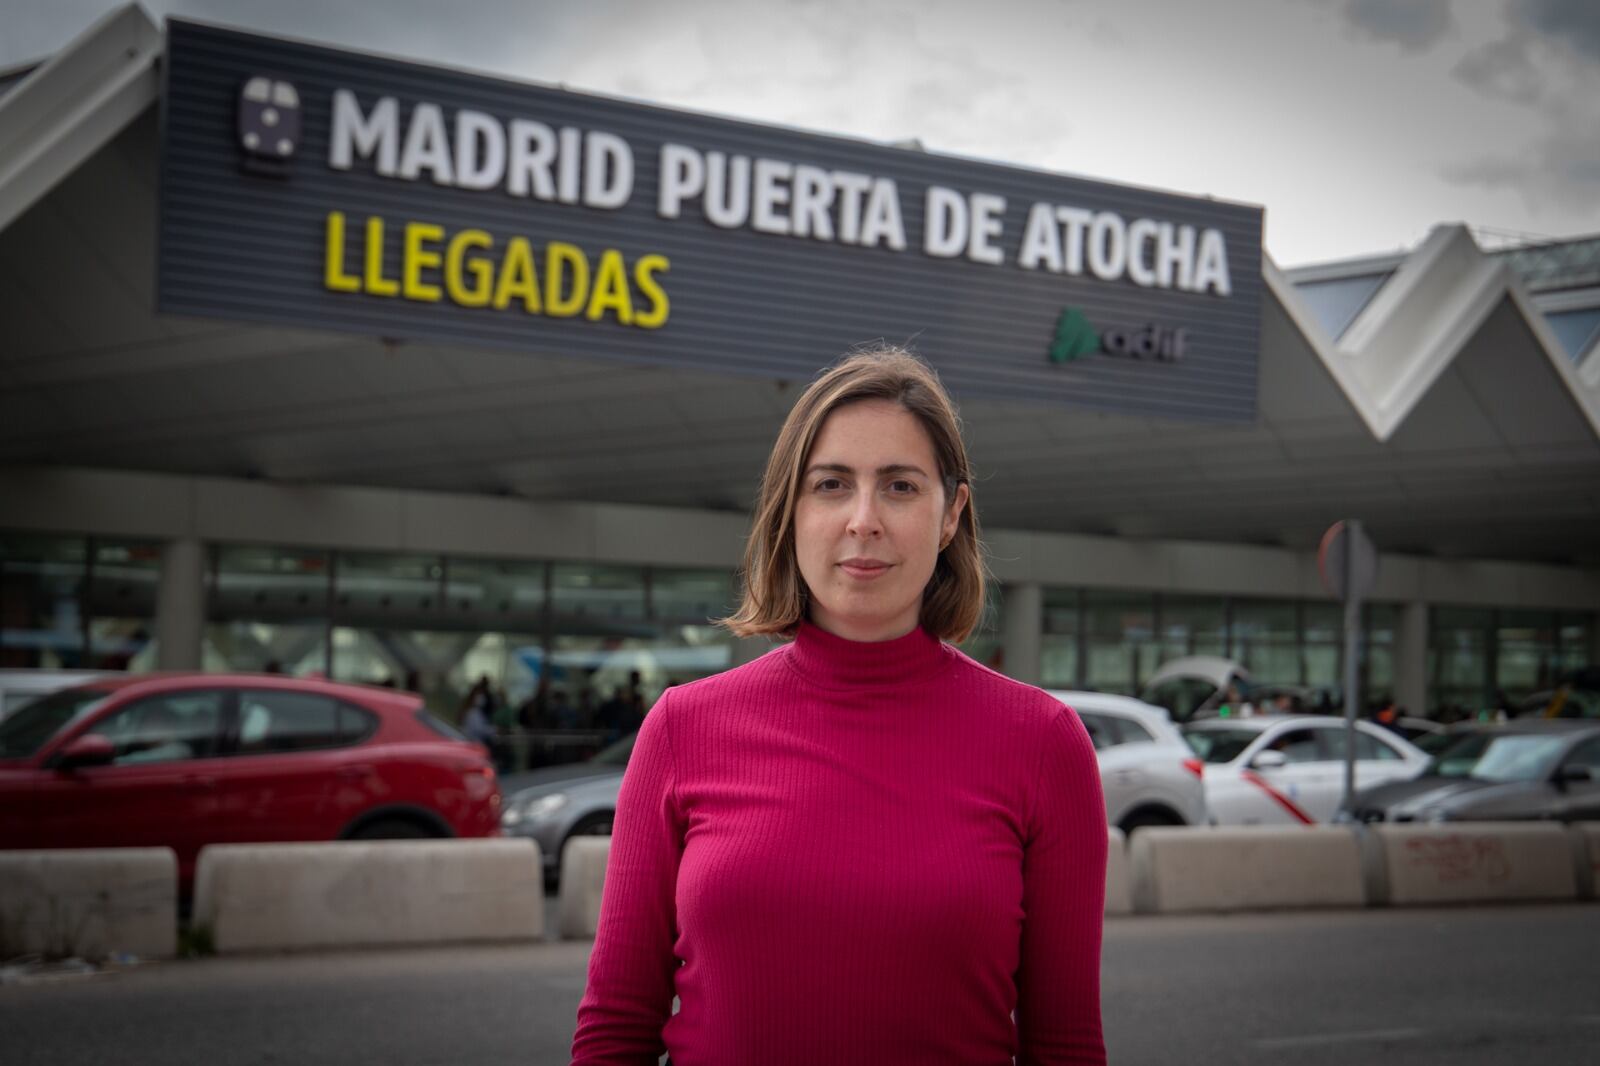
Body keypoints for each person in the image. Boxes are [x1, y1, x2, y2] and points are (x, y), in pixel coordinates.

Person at [571, 349, 1108, 1065]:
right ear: (791, 510)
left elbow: (1065, 1045)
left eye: (900, 486)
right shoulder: (681, 728)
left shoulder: (1043, 742)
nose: (863, 520)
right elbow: (615, 1029)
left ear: (951, 514)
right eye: (831, 485)